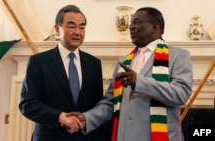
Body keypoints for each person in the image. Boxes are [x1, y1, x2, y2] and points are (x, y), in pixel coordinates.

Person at [68, 7, 193, 141]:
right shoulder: (124, 61)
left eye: (137, 22)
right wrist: (87, 118)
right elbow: (110, 102)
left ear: (155, 27)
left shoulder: (178, 56)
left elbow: (181, 94)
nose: (131, 28)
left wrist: (139, 82)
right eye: (131, 23)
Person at [19, 5, 111, 141]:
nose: (77, 32)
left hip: (84, 137)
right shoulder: (38, 62)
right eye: (71, 26)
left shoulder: (94, 64)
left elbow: (97, 107)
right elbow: (27, 104)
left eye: (82, 27)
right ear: (57, 29)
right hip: (49, 137)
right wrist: (59, 117)